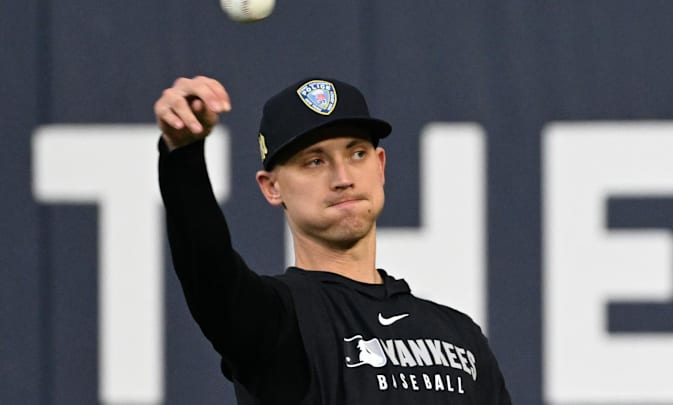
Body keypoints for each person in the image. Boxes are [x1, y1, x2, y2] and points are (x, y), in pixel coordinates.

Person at [155, 75, 512, 404]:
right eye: (314, 161)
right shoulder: (276, 323)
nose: (343, 177)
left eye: (357, 153)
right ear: (272, 186)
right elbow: (206, 265)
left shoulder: (461, 337)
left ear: (380, 165)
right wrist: (182, 153)